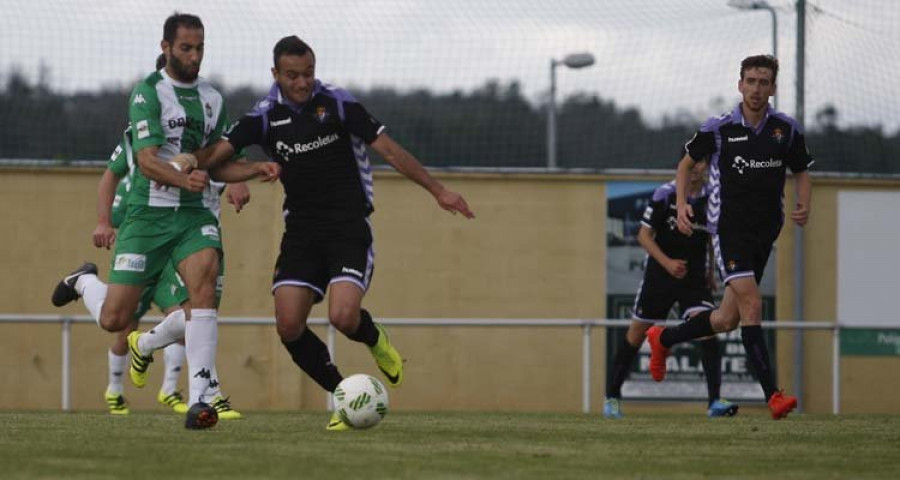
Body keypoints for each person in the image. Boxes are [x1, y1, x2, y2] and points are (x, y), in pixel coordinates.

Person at [193, 35, 475, 430]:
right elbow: (216, 163)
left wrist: (438, 190)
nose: (303, 83)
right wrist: (234, 169)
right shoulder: (263, 117)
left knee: (343, 317)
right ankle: (347, 398)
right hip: (302, 231)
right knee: (289, 325)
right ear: (275, 74)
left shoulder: (338, 103)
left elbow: (390, 150)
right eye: (292, 76)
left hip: (347, 226)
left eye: (308, 73)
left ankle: (375, 339)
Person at [51, 13, 274, 425]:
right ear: (166, 47)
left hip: (192, 216)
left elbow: (219, 164)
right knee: (115, 319)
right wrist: (183, 178)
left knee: (202, 289)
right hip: (146, 217)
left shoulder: (213, 99)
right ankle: (84, 281)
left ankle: (201, 397)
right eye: (186, 48)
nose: (194, 56)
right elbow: (147, 162)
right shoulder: (147, 93)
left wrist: (256, 171)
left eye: (200, 48)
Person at [646, 55, 813, 420]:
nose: (756, 89)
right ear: (740, 85)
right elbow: (685, 164)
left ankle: (663, 338)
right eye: (750, 81)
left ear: (773, 88)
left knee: (725, 320)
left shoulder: (786, 129)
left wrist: (804, 203)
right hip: (728, 232)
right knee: (754, 305)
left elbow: (801, 170)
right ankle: (773, 396)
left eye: (763, 82)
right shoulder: (718, 128)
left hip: (765, 233)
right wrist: (682, 202)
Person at [95, 110, 249, 418]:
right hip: (150, 240)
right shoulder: (138, 136)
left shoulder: (206, 119)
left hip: (197, 235)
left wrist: (241, 178)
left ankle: (184, 389)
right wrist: (105, 222)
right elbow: (112, 174)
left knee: (198, 315)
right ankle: (85, 284)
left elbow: (229, 155)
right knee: (119, 322)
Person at [604, 161, 738, 419]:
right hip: (660, 275)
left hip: (693, 277)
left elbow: (712, 238)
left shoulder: (712, 197)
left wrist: (710, 273)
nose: (700, 168)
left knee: (708, 332)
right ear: (684, 166)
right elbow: (644, 235)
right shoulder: (665, 193)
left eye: (704, 163)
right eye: (695, 162)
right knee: (635, 335)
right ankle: (612, 398)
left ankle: (714, 402)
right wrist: (667, 263)